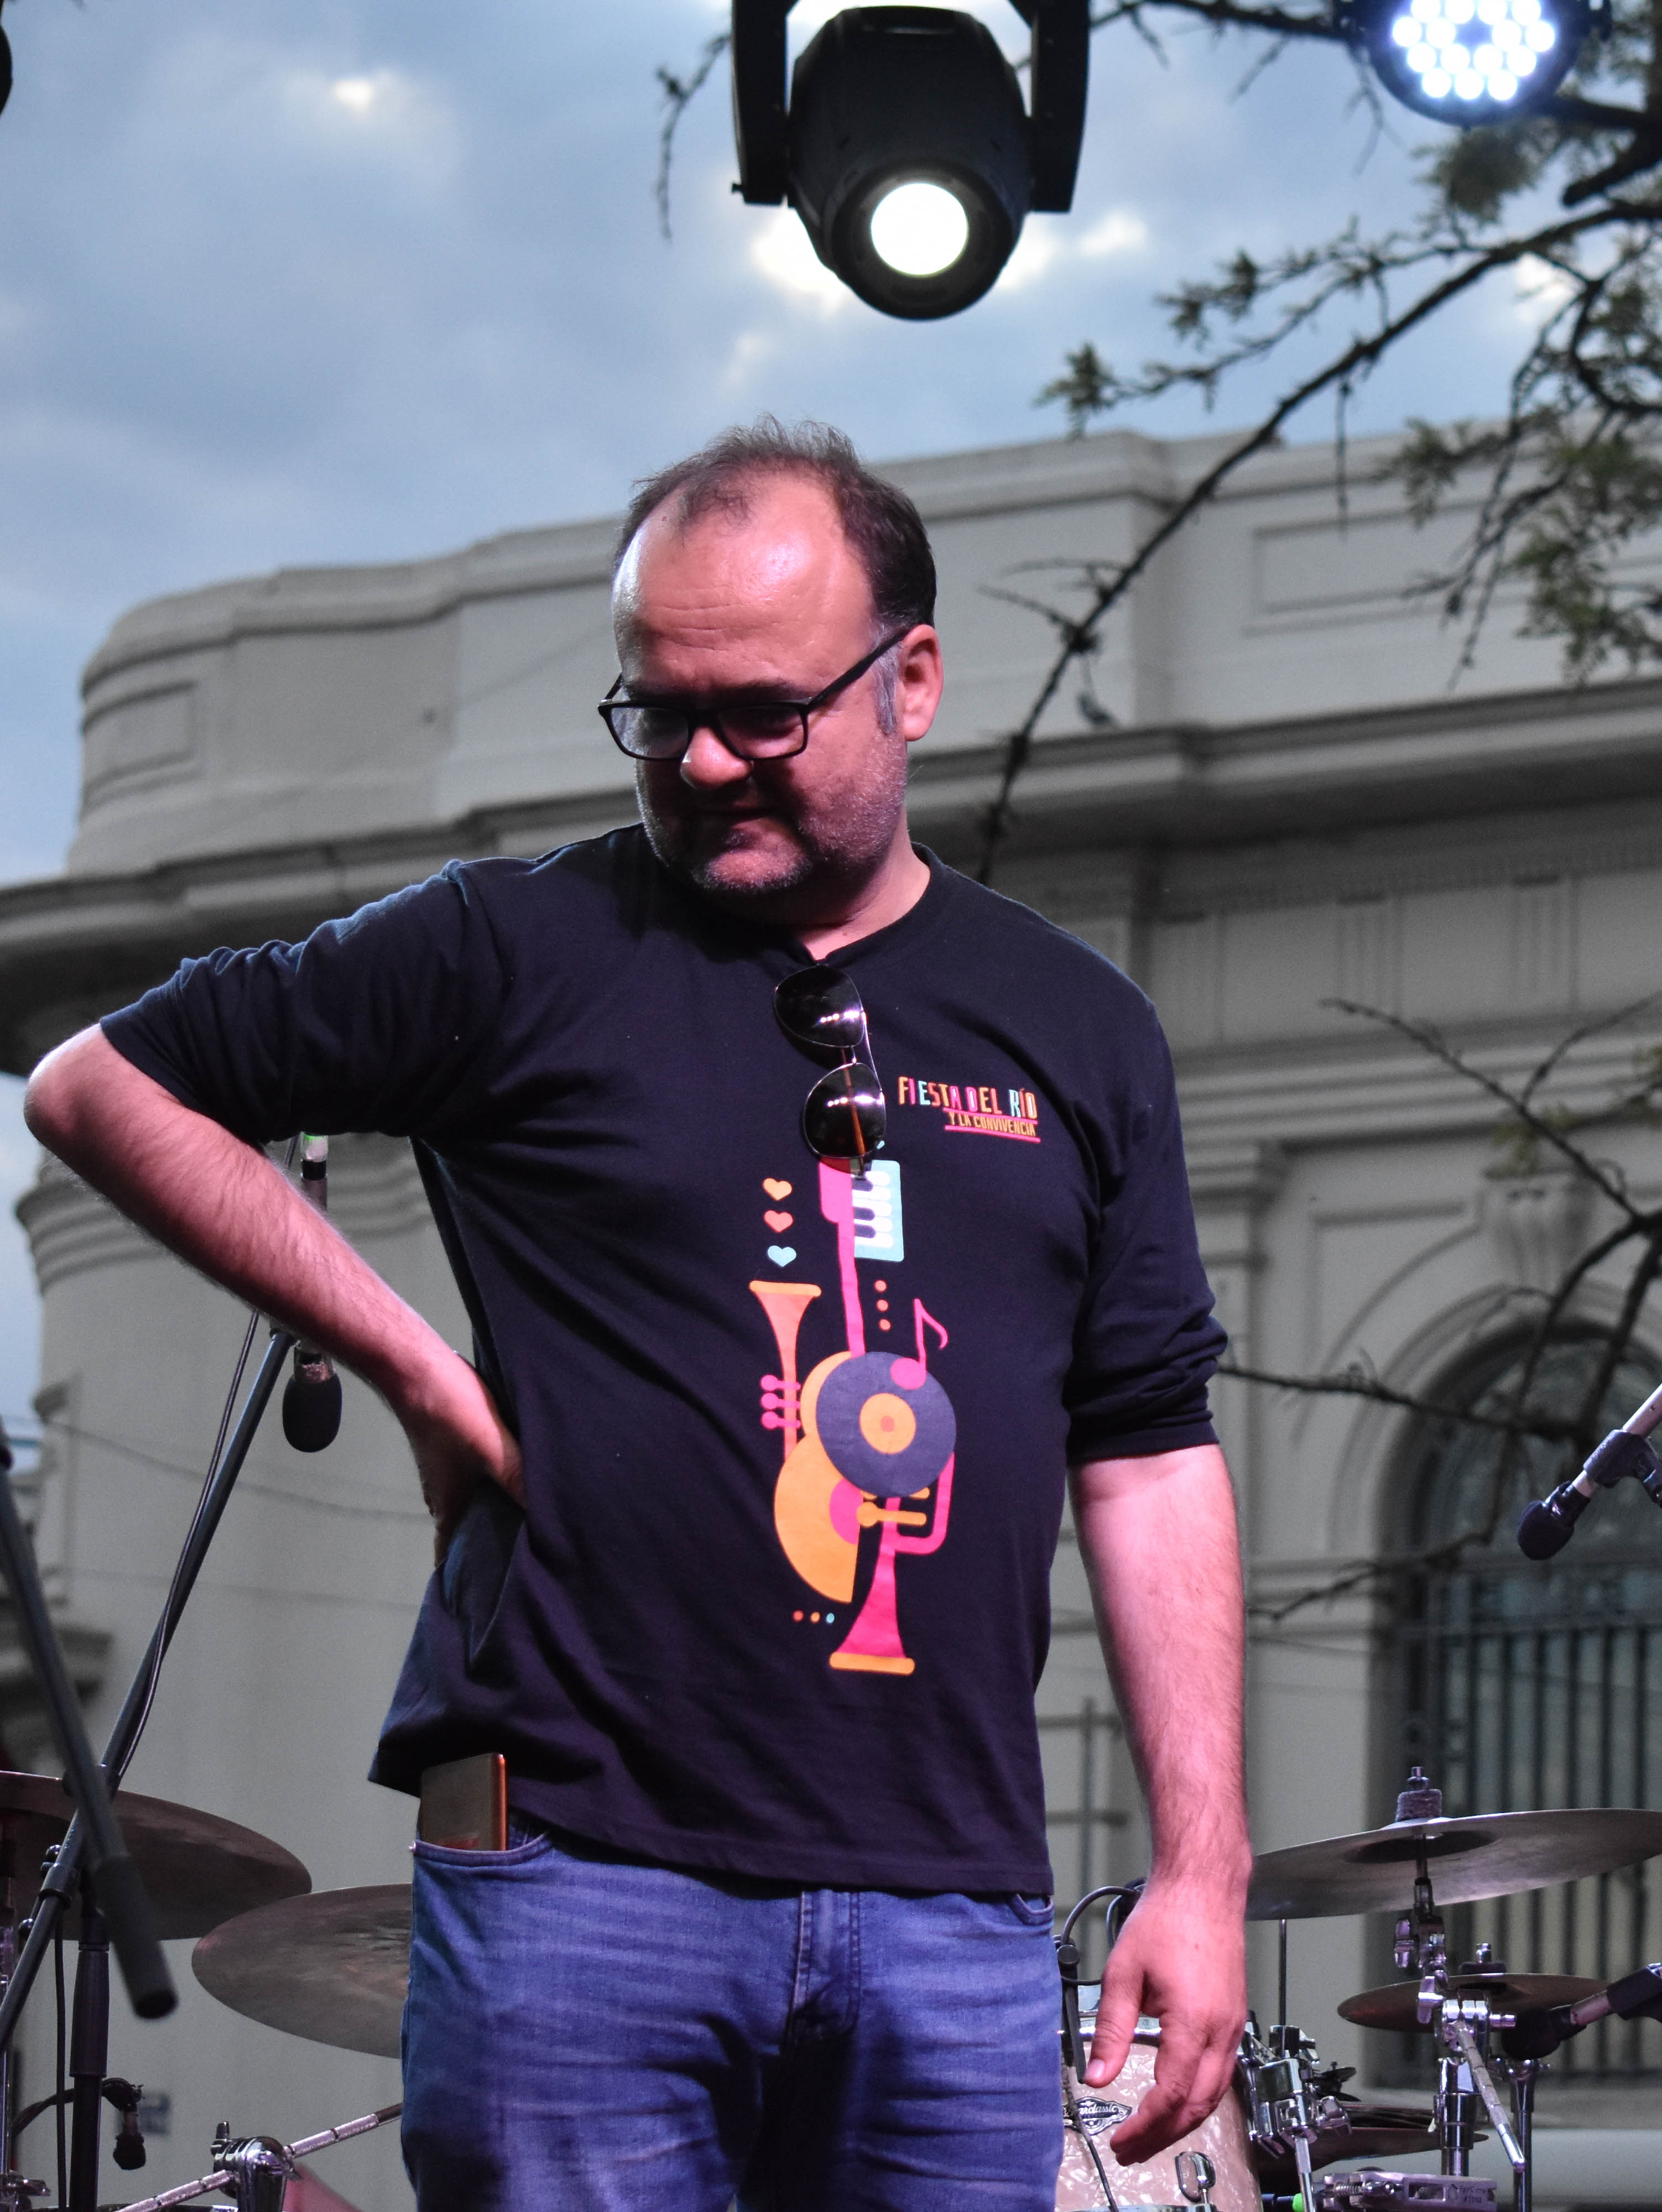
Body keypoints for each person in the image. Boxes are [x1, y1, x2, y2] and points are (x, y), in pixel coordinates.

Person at [24, 421, 1248, 2211]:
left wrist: (1200, 1875)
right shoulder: (520, 948)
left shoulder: (1073, 1028)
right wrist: (420, 1371)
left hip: (955, 1905)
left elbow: (1148, 1457)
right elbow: (98, 1087)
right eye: (655, 712)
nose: (702, 761)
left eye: (761, 711)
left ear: (909, 680)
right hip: (584, 1879)